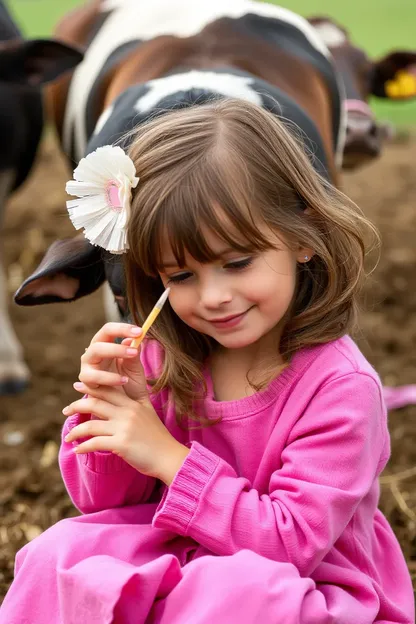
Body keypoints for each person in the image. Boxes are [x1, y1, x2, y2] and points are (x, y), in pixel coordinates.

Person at [1, 99, 413, 623]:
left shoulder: (339, 386)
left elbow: (291, 546)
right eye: (181, 276)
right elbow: (100, 503)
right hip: (183, 555)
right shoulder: (163, 356)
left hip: (307, 585)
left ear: (302, 236)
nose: (213, 296)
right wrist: (107, 413)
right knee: (55, 553)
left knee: (237, 592)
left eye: (236, 262)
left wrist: (166, 455)